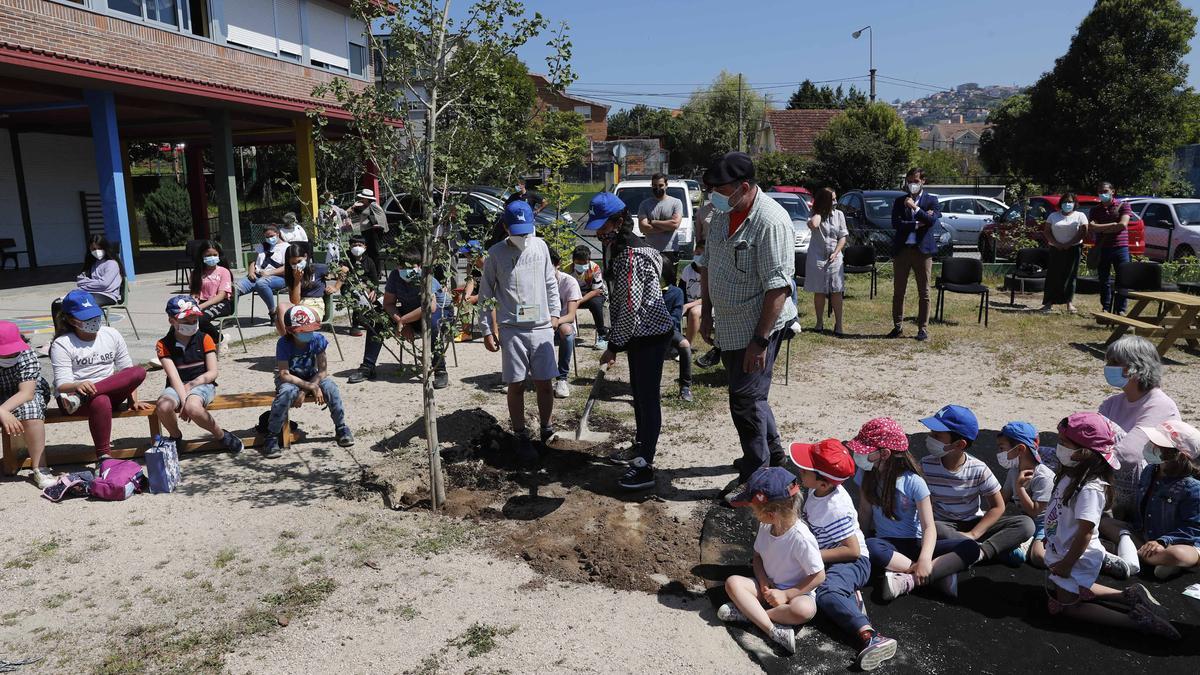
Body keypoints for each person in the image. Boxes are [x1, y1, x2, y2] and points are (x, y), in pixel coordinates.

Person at [699, 152, 798, 495]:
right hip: (729, 323)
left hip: (759, 325)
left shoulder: (771, 221)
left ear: (743, 187)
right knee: (752, 397)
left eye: (718, 188)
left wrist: (760, 341)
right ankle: (772, 453)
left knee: (745, 400)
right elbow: (708, 265)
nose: (712, 193)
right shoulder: (719, 215)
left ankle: (757, 478)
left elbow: (778, 287)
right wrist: (707, 311)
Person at [1042, 412, 1179, 640]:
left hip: (1076, 555)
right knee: (1062, 589)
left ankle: (1136, 621)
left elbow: (1085, 532)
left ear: (1084, 452)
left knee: (1067, 608)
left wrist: (1067, 564)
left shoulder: (1090, 488)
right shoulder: (1072, 474)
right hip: (1065, 549)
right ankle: (1127, 596)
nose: (1058, 447)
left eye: (1064, 443)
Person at [586, 193, 675, 490]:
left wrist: (613, 345)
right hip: (637, 332)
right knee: (638, 394)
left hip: (651, 333)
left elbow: (631, 307)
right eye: (597, 226)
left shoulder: (632, 255)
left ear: (620, 220)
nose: (599, 231)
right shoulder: (615, 246)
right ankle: (640, 445)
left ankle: (645, 465)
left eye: (604, 225)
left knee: (648, 399)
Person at [790, 439, 898, 671]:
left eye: (805, 468)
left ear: (824, 483)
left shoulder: (835, 507)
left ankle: (870, 635)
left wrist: (813, 555)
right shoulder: (816, 488)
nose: (800, 470)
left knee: (827, 594)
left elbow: (852, 550)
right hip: (831, 554)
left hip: (854, 561)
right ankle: (849, 597)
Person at [850, 417, 980, 602]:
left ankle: (909, 580)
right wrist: (861, 546)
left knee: (970, 548)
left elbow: (929, 527)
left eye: (866, 451)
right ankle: (934, 576)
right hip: (887, 545)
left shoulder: (914, 482)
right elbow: (864, 512)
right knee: (871, 546)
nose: (859, 455)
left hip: (915, 543)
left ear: (885, 453)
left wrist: (925, 559)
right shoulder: (866, 474)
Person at [479, 200, 561, 464]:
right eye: (517, 232)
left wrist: (555, 314)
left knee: (544, 381)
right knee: (515, 384)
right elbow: (486, 294)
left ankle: (546, 428)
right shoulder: (495, 254)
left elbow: (550, 281)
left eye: (526, 231)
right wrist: (487, 331)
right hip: (512, 328)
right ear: (505, 227)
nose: (523, 237)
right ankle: (520, 433)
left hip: (541, 326)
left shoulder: (541, 247)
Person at [717, 467, 826, 655]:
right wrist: (762, 581)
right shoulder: (767, 526)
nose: (752, 511)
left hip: (796, 592)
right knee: (733, 583)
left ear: (771, 513)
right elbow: (757, 557)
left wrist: (787, 594)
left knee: (804, 610)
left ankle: (750, 614)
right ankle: (773, 630)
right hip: (768, 587)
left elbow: (818, 576)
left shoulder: (801, 538)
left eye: (754, 508)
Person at [919, 405, 1034, 564]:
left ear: (959, 444)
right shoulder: (925, 465)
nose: (929, 438)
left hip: (973, 523)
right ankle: (992, 549)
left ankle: (978, 551)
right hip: (944, 526)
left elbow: (998, 506)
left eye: (936, 435)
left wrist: (974, 534)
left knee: (1026, 524)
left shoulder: (978, 469)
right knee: (935, 528)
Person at [50, 290, 150, 465]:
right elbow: (62, 385)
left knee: (139, 371)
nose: (94, 321)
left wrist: (133, 400)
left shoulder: (111, 334)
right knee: (101, 400)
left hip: (102, 394)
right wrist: (79, 385)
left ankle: (87, 397)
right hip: (71, 400)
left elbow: (127, 372)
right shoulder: (62, 343)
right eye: (87, 318)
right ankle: (104, 457)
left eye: (95, 316)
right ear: (72, 320)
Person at [1099, 420, 1200, 582]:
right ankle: (1153, 558)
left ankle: (1134, 552)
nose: (1149, 445)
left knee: (1177, 554)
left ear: (1178, 455)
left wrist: (1163, 541)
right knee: (1105, 523)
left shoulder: (1192, 487)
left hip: (1179, 542)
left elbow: (1192, 529)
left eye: (1157, 444)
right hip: (1146, 534)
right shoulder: (1150, 470)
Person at [1098, 335, 1180, 521]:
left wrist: (1089, 459)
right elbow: (1091, 439)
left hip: (1148, 496)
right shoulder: (1112, 403)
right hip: (1111, 482)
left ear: (1135, 367)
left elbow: (1129, 455)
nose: (1107, 366)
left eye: (1114, 362)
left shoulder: (1160, 405)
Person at [153, 296, 242, 454]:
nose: (192, 324)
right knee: (163, 406)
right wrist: (183, 397)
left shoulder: (205, 338)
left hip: (202, 384)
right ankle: (176, 436)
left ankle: (221, 435)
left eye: (194, 320)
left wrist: (191, 387)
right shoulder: (163, 344)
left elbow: (213, 372)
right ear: (172, 321)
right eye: (187, 321)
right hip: (176, 385)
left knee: (193, 407)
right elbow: (174, 377)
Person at [262, 305, 353, 459]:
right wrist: (309, 386)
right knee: (286, 392)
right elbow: (284, 374)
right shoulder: (283, 343)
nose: (308, 333)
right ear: (291, 331)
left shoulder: (318, 340)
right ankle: (272, 436)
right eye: (303, 331)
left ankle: (341, 427)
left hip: (312, 377)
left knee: (331, 387)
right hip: (291, 380)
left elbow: (323, 371)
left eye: (311, 329)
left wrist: (307, 389)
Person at [888, 168, 941, 341]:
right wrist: (917, 224)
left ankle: (923, 329)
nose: (913, 184)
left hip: (922, 252)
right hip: (902, 251)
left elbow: (931, 220)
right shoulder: (899, 201)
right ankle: (897, 326)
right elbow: (896, 224)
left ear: (923, 181)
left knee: (924, 291)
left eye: (916, 181)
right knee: (899, 291)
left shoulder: (931, 200)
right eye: (910, 181)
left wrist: (915, 208)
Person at [0, 321, 54, 489]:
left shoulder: (26, 354)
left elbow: (27, 393)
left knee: (31, 409)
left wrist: (2, 409)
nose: (10, 356)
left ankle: (40, 467)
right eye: (5, 354)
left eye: (12, 352)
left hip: (27, 391)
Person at [996, 422, 1055, 567]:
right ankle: (1023, 546)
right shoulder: (1014, 471)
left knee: (1038, 557)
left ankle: (1090, 555)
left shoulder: (1044, 477)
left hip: (1046, 525)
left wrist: (1020, 488)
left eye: (1002, 448)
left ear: (1020, 449)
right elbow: (1002, 499)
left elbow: (1034, 512)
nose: (999, 453)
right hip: (1025, 522)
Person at [805, 187, 848, 335]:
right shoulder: (814, 214)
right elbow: (813, 225)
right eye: (833, 200)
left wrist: (836, 252)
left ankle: (839, 324)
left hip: (835, 257)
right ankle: (819, 322)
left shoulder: (839, 215)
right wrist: (819, 211)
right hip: (817, 257)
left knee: (837, 290)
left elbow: (843, 236)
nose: (835, 202)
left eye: (836, 199)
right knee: (820, 291)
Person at [1089, 181, 1133, 314]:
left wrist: (1102, 229)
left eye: (1105, 191)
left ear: (1112, 191)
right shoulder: (1095, 210)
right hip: (1103, 248)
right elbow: (1092, 227)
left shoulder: (1123, 206)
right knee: (1104, 279)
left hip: (1120, 247)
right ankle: (1106, 307)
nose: (1103, 194)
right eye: (1100, 192)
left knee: (1123, 279)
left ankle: (1121, 309)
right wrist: (1112, 225)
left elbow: (1122, 225)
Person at [1041, 193, 1089, 313]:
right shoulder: (1053, 215)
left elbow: (1084, 231)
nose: (1067, 204)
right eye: (1065, 202)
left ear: (1074, 203)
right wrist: (1056, 243)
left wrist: (1070, 243)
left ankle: (1069, 303)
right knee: (1053, 275)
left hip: (1073, 248)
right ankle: (1048, 303)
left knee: (1070, 275)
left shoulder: (1080, 215)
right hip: (1055, 249)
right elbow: (1047, 231)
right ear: (1061, 203)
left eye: (1070, 202)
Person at [235, 224, 290, 321]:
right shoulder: (262, 246)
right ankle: (232, 316)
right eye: (267, 237)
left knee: (261, 283)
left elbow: (287, 267)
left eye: (271, 236)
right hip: (257, 275)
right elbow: (253, 260)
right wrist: (251, 271)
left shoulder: (287, 247)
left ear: (277, 234)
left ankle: (273, 312)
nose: (269, 238)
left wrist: (270, 273)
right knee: (234, 289)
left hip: (278, 277)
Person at [548, 248, 581, 399]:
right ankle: (517, 379)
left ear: (557, 265)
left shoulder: (569, 282)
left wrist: (553, 321)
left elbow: (570, 315)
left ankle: (561, 379)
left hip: (560, 323)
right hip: (540, 324)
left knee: (567, 330)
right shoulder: (534, 281)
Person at [335, 234, 380, 339]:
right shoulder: (345, 260)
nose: (357, 247)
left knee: (382, 300)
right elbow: (341, 276)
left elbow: (375, 280)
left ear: (365, 247)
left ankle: (373, 320)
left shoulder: (369, 261)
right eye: (354, 245)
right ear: (350, 247)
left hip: (366, 288)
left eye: (360, 245)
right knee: (358, 297)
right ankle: (356, 325)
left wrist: (374, 290)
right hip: (349, 287)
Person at [188, 241, 233, 345]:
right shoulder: (195, 273)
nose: (211, 257)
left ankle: (220, 339)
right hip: (201, 304)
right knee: (180, 319)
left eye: (214, 255)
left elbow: (221, 295)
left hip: (221, 303)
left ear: (219, 255)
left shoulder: (223, 271)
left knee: (201, 320)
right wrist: (192, 305)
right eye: (208, 255)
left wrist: (202, 306)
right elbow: (194, 293)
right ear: (202, 256)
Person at [660, 263, 693, 403]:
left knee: (685, 345)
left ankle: (685, 386)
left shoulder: (676, 292)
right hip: (648, 331)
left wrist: (664, 326)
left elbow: (676, 316)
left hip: (667, 330)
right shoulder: (646, 289)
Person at [637, 173, 683, 263]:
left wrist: (652, 222)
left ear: (666, 185)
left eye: (660, 185)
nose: (657, 188)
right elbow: (643, 227)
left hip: (671, 250)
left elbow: (674, 224)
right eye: (654, 185)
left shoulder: (676, 203)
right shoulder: (645, 204)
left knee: (670, 277)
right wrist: (667, 227)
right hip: (650, 250)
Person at [570, 246, 608, 351]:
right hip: (573, 295)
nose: (582, 265)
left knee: (596, 304)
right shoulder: (568, 269)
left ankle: (602, 335)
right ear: (573, 260)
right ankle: (561, 331)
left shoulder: (594, 268)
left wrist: (579, 301)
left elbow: (596, 291)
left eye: (584, 262)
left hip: (591, 294)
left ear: (589, 260)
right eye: (579, 262)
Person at [280, 243, 334, 319]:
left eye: (299, 261)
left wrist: (335, 287)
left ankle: (292, 330)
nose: (297, 265)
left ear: (305, 256)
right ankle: (287, 331)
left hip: (315, 304)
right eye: (293, 263)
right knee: (281, 308)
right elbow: (295, 301)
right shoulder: (291, 274)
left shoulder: (317, 268)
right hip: (299, 304)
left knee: (300, 313)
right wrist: (297, 280)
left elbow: (343, 270)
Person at [75, 234, 123, 307]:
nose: (97, 251)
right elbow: (80, 280)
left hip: (108, 295)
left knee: (83, 305)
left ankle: (91, 318)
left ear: (105, 248)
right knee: (63, 302)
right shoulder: (92, 263)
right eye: (94, 249)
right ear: (90, 249)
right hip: (91, 292)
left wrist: (85, 284)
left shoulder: (111, 263)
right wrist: (97, 282)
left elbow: (104, 284)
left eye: (100, 248)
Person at [348, 188, 389, 270]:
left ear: (367, 198)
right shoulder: (366, 206)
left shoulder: (373, 205)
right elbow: (360, 213)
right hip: (366, 232)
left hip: (372, 232)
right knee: (369, 252)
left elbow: (381, 215)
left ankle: (377, 272)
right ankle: (373, 271)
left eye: (363, 198)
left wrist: (377, 224)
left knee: (373, 252)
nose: (362, 199)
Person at [680, 243, 704, 347]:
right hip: (688, 303)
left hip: (706, 304)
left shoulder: (711, 271)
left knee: (694, 312)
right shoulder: (687, 269)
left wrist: (687, 306)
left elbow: (709, 297)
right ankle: (675, 341)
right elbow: (681, 290)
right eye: (698, 252)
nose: (699, 256)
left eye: (703, 254)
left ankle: (686, 346)